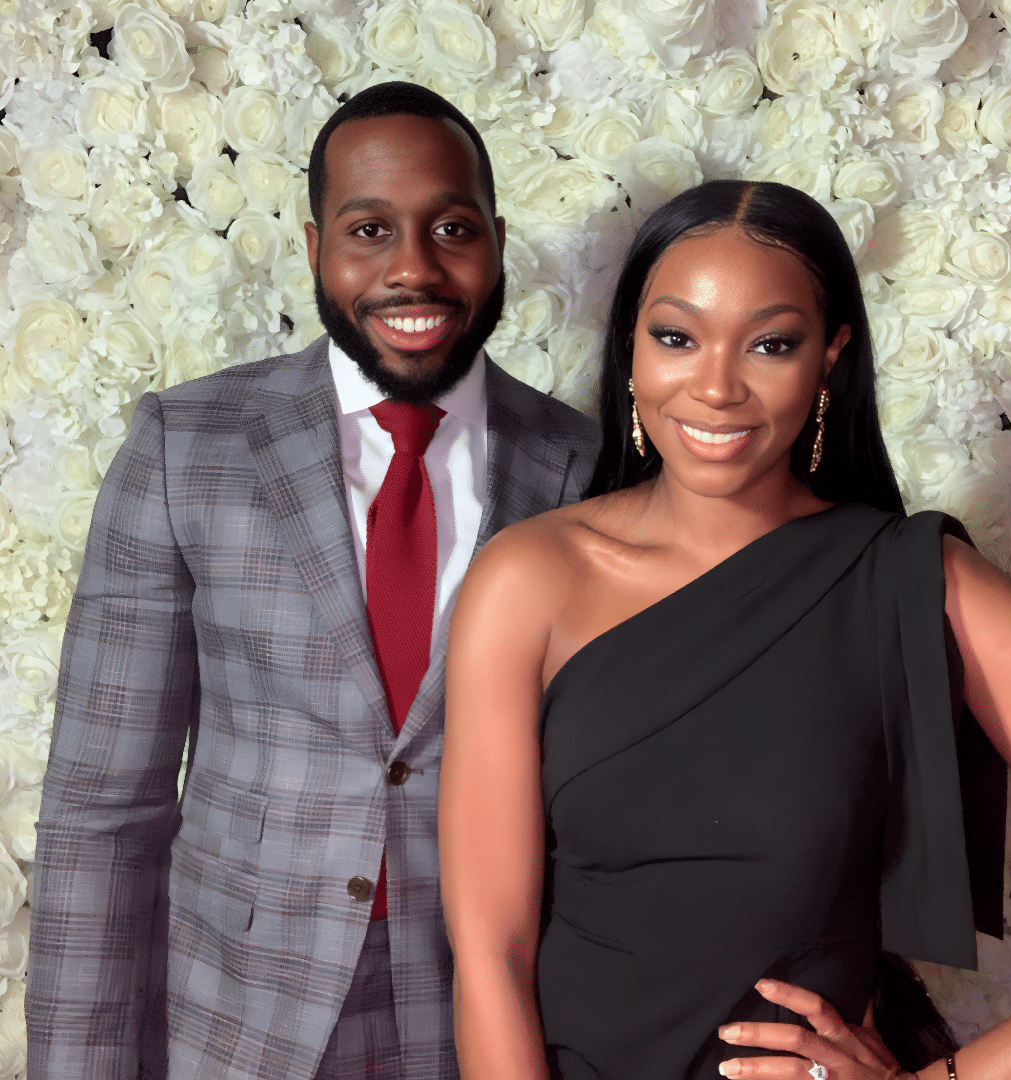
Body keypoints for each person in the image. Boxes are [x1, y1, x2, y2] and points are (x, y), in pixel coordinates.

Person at [439, 180, 1011, 1080]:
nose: (715, 386)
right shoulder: (526, 579)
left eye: (771, 344)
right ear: (630, 347)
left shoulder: (920, 586)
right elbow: (490, 955)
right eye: (676, 337)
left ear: (831, 358)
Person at [26, 82, 600, 1080]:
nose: (412, 267)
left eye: (451, 227)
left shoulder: (583, 465)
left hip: (493, 1017)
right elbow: (101, 813)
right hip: (240, 1011)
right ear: (313, 248)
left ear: (498, 242)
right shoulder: (185, 447)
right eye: (370, 228)